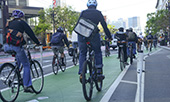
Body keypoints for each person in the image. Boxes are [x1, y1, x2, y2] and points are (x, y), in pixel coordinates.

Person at [4, 9, 40, 93]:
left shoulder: (8, 23)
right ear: (21, 17)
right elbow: (30, 33)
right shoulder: (22, 23)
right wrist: (37, 43)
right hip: (16, 46)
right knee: (26, 65)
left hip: (7, 46)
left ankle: (16, 76)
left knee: (18, 63)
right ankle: (27, 86)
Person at [77, 0, 112, 82]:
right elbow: (104, 26)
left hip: (82, 35)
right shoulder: (98, 13)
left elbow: (78, 23)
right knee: (97, 52)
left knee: (82, 53)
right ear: (96, 5)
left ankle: (82, 73)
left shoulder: (83, 12)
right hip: (93, 35)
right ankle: (99, 72)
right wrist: (109, 36)